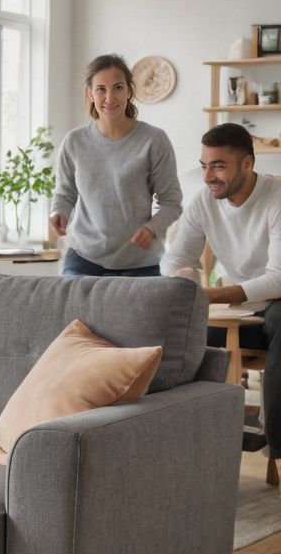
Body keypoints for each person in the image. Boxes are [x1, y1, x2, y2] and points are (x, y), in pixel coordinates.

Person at [161, 122, 281, 458]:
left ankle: (278, 448)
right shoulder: (204, 203)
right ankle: (196, 446)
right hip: (245, 310)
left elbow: (278, 278)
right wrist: (183, 279)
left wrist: (210, 296)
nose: (208, 176)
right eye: (204, 165)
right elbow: (174, 258)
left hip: (277, 303)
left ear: (247, 164)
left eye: (218, 166)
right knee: (180, 337)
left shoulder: (276, 196)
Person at [50, 54, 183, 276]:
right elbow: (64, 194)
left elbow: (171, 202)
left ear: (129, 91)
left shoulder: (154, 140)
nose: (110, 97)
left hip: (140, 263)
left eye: (118, 88)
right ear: (90, 93)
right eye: (101, 89)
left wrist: (152, 229)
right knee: (72, 311)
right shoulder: (74, 141)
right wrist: (58, 212)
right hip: (83, 257)